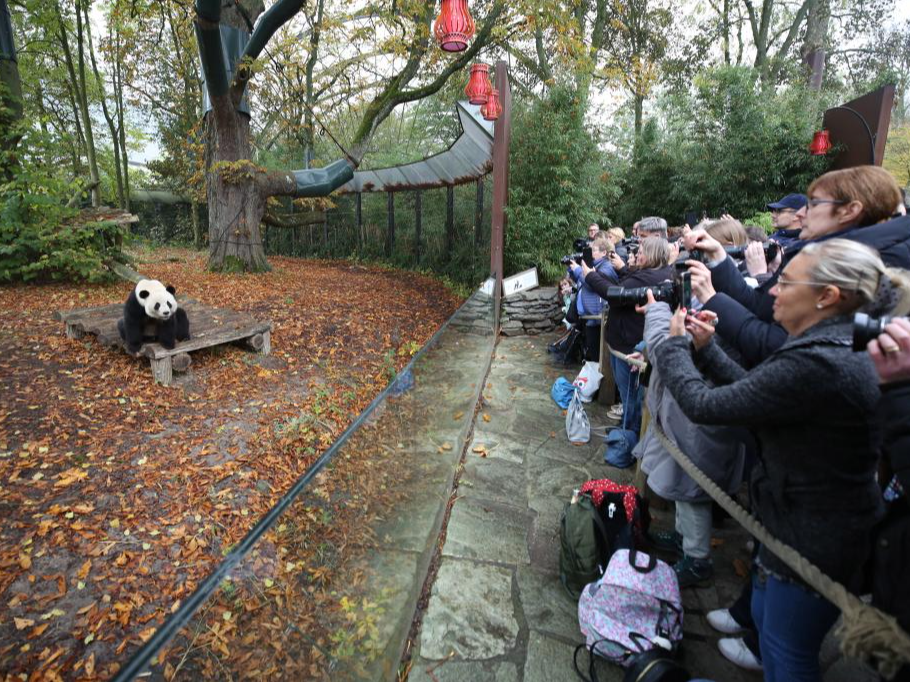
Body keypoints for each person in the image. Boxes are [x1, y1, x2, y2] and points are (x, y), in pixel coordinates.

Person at [651, 239, 910, 682]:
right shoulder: (833, 342)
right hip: (800, 522)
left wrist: (674, 347)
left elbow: (704, 405)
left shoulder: (820, 360)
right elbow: (761, 396)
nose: (771, 289)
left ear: (826, 296)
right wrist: (708, 349)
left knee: (786, 651)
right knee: (769, 627)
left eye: (786, 282)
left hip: (812, 537)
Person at [687, 166, 910, 367]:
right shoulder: (819, 251)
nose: (801, 213)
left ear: (849, 211)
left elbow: (778, 345)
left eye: (813, 203)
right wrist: (718, 257)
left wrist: (711, 298)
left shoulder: (868, 263)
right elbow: (760, 307)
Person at [634, 296, 746, 588]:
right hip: (688, 422)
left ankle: (697, 560)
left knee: (692, 492)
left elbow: (663, 348)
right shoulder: (719, 313)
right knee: (684, 490)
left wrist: (657, 310)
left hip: (699, 427)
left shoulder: (729, 312)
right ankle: (682, 539)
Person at [582, 236, 673, 436]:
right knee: (629, 394)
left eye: (641, 252)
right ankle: (627, 427)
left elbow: (613, 293)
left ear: (652, 255)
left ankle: (628, 434)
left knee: (629, 393)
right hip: (627, 342)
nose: (636, 255)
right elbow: (624, 284)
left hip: (629, 346)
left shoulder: (647, 277)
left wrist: (590, 275)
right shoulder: (654, 273)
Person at [568, 236, 618, 361]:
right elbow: (581, 281)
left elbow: (593, 284)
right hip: (592, 318)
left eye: (594, 250)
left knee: (598, 357)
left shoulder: (607, 267)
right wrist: (573, 270)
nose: (591, 253)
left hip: (600, 319)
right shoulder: (593, 266)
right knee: (592, 354)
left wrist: (578, 270)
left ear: (604, 252)